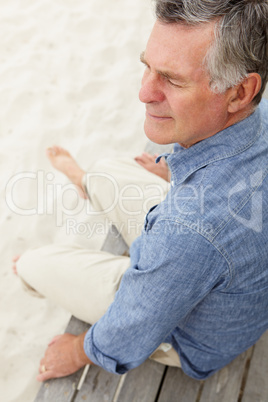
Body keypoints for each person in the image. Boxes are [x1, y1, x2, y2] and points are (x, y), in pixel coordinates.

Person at [15, 0, 268, 382]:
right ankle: (88, 182)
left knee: (31, 265)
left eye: (172, 79)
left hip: (190, 334)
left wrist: (78, 349)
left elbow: (134, 325)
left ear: (239, 92)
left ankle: (83, 216)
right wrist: (174, 171)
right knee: (104, 171)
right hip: (218, 268)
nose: (144, 93)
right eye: (146, 67)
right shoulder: (257, 114)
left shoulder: (191, 231)